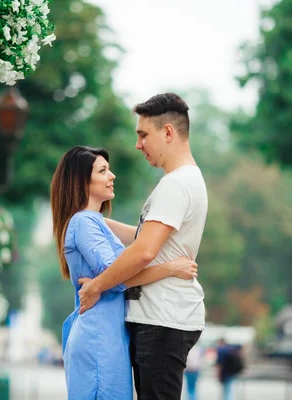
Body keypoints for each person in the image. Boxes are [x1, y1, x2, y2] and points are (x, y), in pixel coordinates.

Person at [78, 93, 208, 399]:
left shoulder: (175, 184)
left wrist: (97, 286)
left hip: (162, 319)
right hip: (163, 318)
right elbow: (144, 237)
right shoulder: (185, 180)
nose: (139, 145)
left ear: (167, 133)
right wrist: (94, 219)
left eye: (143, 135)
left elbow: (144, 251)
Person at [51, 146, 199, 400]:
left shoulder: (92, 221)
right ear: (82, 181)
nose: (112, 176)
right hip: (99, 337)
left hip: (109, 336)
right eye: (103, 170)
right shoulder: (84, 223)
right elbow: (121, 275)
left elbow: (141, 238)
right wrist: (170, 268)